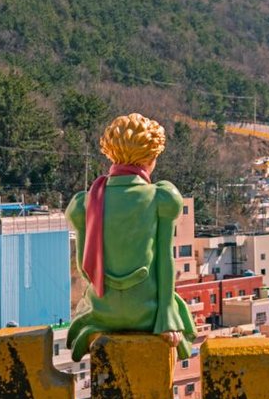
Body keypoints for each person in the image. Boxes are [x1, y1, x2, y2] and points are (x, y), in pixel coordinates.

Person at [65, 113, 195, 362]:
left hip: (103, 313)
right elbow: (165, 262)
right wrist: (166, 318)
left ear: (111, 153)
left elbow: (85, 269)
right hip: (148, 314)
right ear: (151, 158)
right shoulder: (161, 197)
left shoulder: (85, 203)